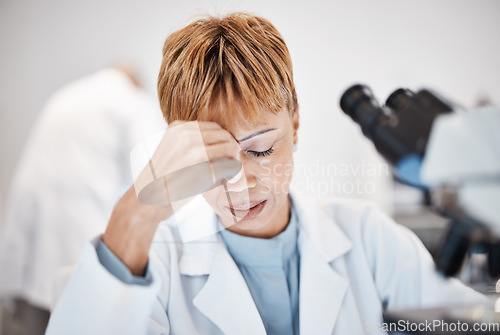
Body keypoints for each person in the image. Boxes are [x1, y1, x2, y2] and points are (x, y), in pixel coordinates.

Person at [45, 13, 486, 335]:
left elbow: (470, 325)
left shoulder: (369, 240)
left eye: (260, 149)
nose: (239, 182)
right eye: (210, 159)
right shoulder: (158, 264)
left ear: (294, 124)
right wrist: (139, 209)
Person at [0, 65, 164, 335]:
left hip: (31, 247)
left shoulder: (64, 98)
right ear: (137, 83)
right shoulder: (131, 101)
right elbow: (157, 172)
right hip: (82, 238)